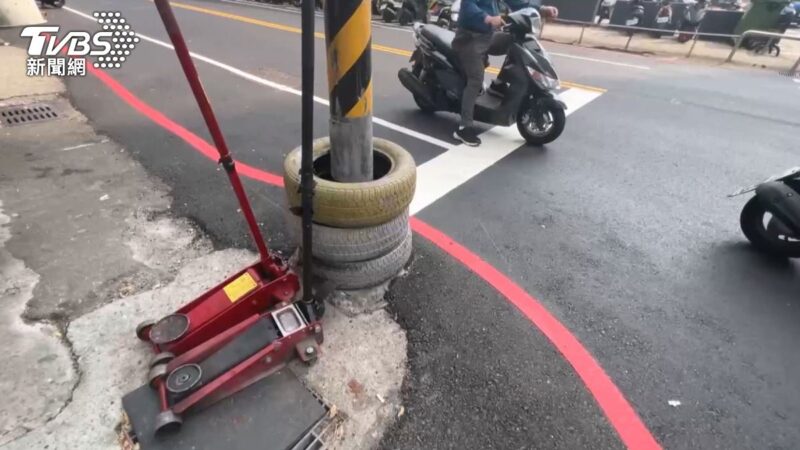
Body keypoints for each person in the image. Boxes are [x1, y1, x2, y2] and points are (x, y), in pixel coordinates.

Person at [451, 0, 557, 146]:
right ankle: (464, 127)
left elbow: (518, 3)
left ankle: (499, 84)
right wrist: (488, 18)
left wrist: (543, 9)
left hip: (488, 36)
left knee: (514, 42)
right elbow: (468, 6)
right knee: (476, 79)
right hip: (469, 38)